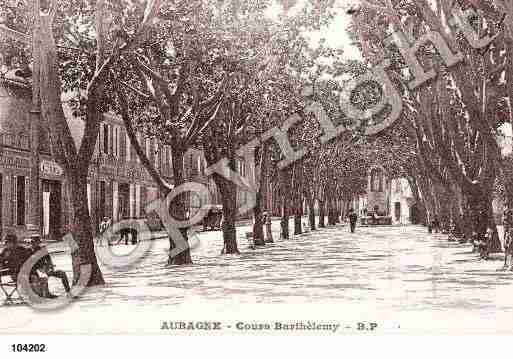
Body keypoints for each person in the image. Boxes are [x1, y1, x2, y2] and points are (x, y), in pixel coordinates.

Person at [0, 233, 49, 298]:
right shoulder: (6, 251)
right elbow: (1, 263)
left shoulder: (21, 249)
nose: (6, 244)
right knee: (28, 278)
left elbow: (30, 259)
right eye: (6, 242)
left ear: (13, 242)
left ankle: (40, 294)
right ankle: (33, 295)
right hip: (15, 274)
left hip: (26, 272)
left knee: (39, 277)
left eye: (8, 242)